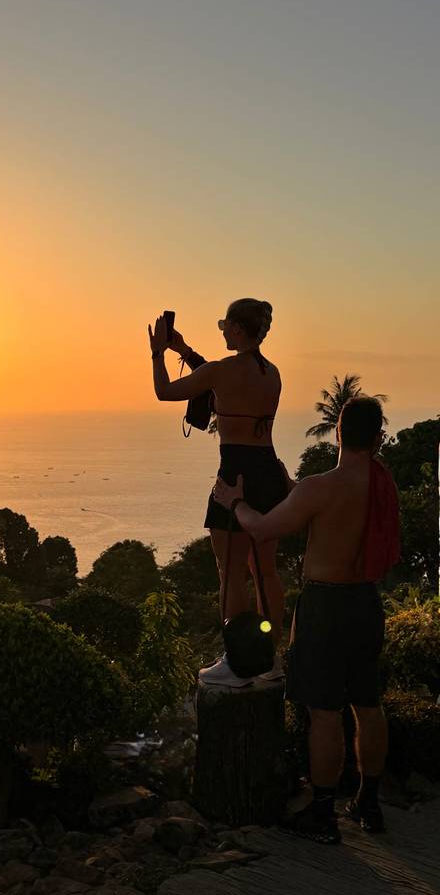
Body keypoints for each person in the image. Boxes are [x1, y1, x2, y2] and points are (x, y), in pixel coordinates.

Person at [212, 396, 400, 844]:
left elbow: (262, 528)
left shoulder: (321, 488)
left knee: (324, 714)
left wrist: (235, 503)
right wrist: (292, 485)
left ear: (337, 432)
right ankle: (368, 805)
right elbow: (331, 505)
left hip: (325, 607)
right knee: (368, 706)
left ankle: (322, 815)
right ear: (377, 438)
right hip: (365, 604)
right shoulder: (379, 481)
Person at [148, 298, 289, 686]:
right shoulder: (271, 373)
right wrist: (185, 350)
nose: (223, 330)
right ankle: (270, 658)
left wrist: (158, 354)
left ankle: (240, 661)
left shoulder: (224, 371)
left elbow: (165, 391)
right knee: (265, 571)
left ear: (239, 330)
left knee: (230, 571)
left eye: (225, 325)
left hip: (235, 476)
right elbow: (218, 377)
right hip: (268, 472)